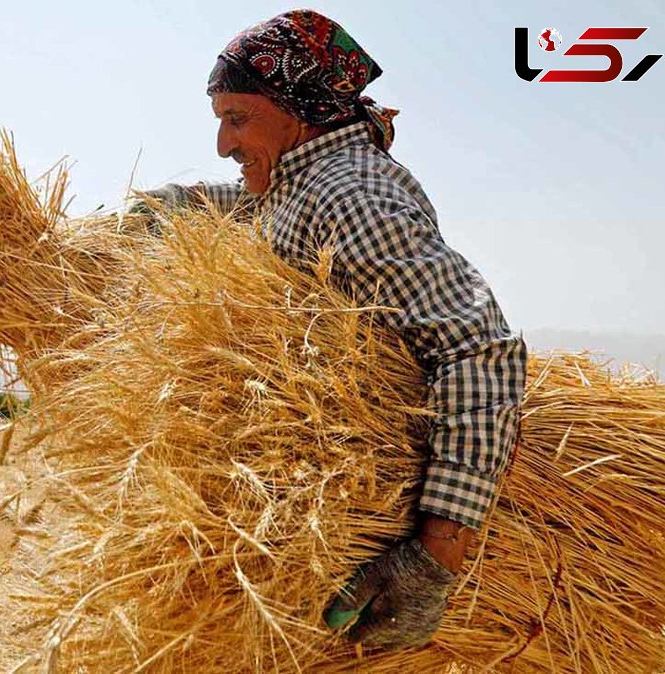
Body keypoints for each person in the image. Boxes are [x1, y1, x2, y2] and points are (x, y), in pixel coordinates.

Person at [134, 10, 527, 650]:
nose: (224, 144)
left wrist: (437, 553)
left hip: (369, 526)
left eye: (237, 119)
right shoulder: (300, 177)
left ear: (297, 109)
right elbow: (256, 208)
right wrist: (160, 207)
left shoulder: (350, 196)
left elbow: (474, 348)